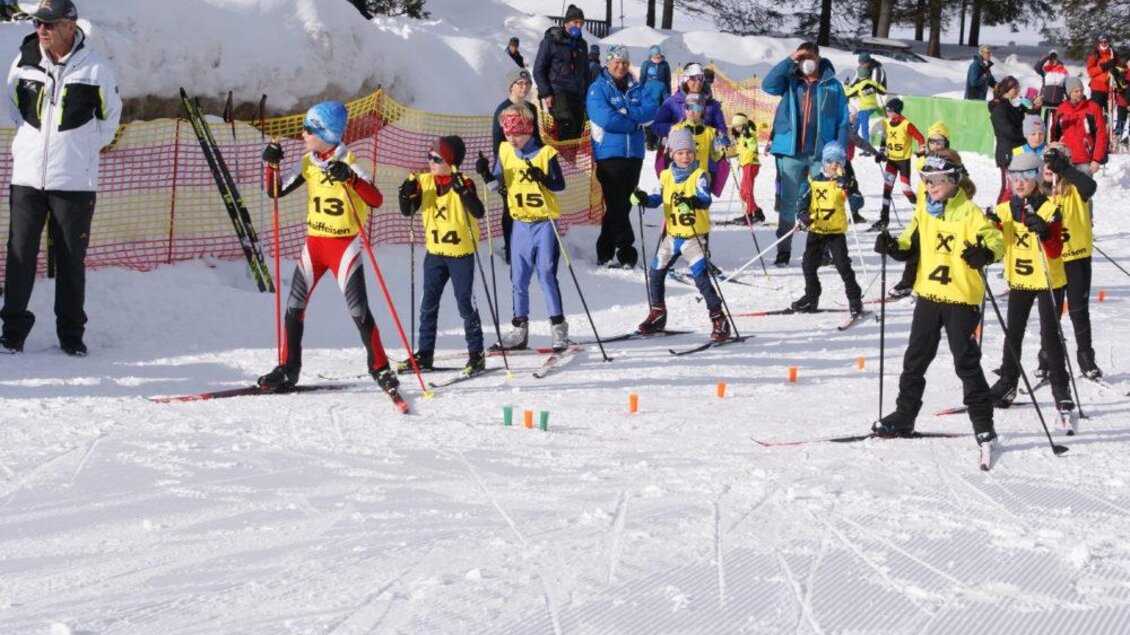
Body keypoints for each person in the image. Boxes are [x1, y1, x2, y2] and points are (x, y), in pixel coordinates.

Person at [1, 0, 121, 356]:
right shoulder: (22, 62)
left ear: (71, 25)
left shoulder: (97, 68)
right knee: (19, 256)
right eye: (39, 23)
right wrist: (34, 147)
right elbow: (14, 108)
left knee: (71, 260)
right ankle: (12, 333)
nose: (42, 30)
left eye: (50, 24)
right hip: (26, 178)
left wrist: (77, 151)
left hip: (74, 182)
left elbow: (109, 122)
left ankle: (71, 336)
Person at [257, 101, 396, 392]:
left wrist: (352, 179)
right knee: (293, 308)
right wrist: (271, 163)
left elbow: (376, 199)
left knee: (359, 312)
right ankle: (288, 369)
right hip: (314, 245)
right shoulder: (309, 162)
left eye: (308, 129)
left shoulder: (350, 161)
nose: (302, 134)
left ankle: (381, 369)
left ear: (326, 132)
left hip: (343, 246)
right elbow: (275, 190)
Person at [872, 149, 1003, 451]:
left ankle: (983, 426)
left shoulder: (970, 213)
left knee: (965, 363)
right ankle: (905, 415)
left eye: (935, 180)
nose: (929, 186)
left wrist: (985, 252)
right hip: (929, 295)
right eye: (925, 180)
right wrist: (893, 246)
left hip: (960, 298)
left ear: (954, 179)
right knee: (915, 359)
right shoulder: (923, 210)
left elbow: (996, 241)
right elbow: (909, 242)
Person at [985, 152, 1074, 424]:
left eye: (1025, 176)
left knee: (1050, 335)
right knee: (1013, 333)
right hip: (1021, 280)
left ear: (1036, 177)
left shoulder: (1050, 208)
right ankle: (1007, 383)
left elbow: (1057, 249)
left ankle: (1061, 388)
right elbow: (991, 234)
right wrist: (985, 230)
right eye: (1015, 177)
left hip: (1048, 280)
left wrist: (1045, 232)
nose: (1019, 182)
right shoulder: (1005, 208)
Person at [476, 106, 570, 351]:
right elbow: (498, 185)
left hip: (544, 223)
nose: (512, 139)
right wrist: (486, 174)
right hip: (520, 223)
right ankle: (519, 330)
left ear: (528, 131)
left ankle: (559, 329)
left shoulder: (545, 153)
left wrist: (543, 177)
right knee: (518, 277)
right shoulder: (505, 150)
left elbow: (559, 186)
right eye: (508, 134)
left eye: (517, 134)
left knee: (546, 273)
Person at [396, 136, 487, 375]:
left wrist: (465, 194)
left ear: (451, 161)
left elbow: (478, 212)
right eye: (429, 156)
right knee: (428, 305)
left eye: (437, 158)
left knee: (465, 304)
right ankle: (425, 354)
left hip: (460, 254)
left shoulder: (463, 181)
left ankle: (476, 355)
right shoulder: (423, 181)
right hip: (435, 253)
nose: (431, 161)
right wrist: (405, 195)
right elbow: (408, 212)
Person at [630, 127, 731, 341]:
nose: (685, 157)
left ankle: (719, 318)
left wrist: (692, 202)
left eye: (689, 152)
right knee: (655, 273)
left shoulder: (699, 175)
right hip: (673, 235)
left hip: (694, 236)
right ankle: (658, 313)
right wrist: (643, 198)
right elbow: (657, 198)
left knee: (701, 279)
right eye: (680, 152)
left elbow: (705, 199)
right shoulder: (666, 175)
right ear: (671, 154)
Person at [762, 41, 849, 267]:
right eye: (802, 58)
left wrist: (838, 151)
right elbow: (767, 85)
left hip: (821, 154)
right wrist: (791, 58)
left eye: (810, 57)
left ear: (818, 58)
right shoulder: (790, 80)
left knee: (821, 201)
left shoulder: (833, 85)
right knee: (789, 202)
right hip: (791, 152)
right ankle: (784, 248)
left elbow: (842, 119)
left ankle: (820, 251)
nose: (806, 62)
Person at [585, 44, 659, 268]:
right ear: (608, 62)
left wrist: (628, 113)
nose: (621, 66)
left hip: (634, 153)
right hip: (609, 154)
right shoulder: (598, 88)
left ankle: (604, 250)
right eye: (617, 62)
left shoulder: (637, 87)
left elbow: (651, 110)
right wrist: (635, 122)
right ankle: (626, 249)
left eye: (625, 63)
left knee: (623, 203)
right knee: (616, 202)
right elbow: (605, 119)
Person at [1036, 143, 1102, 379]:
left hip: (1077, 257)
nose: (1049, 166)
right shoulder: (1041, 192)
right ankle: (1046, 357)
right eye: (1046, 161)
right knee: (1050, 313)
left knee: (1078, 310)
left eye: (1054, 161)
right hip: (1052, 260)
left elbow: (1090, 186)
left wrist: (1064, 168)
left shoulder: (1076, 187)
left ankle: (1086, 358)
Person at [790, 142, 863, 316]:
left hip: (835, 231)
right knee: (808, 264)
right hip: (817, 229)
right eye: (830, 161)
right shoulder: (814, 181)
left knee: (843, 265)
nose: (833, 165)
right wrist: (802, 216)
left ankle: (855, 299)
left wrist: (849, 187)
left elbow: (858, 202)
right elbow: (802, 202)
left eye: (838, 162)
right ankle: (811, 295)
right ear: (823, 162)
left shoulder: (845, 182)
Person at [888, 121, 951, 299]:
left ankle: (937, 282)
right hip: (922, 213)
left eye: (940, 141)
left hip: (942, 217)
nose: (936, 145)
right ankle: (907, 283)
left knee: (939, 251)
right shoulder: (924, 161)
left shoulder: (952, 162)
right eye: (933, 141)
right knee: (914, 248)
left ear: (946, 143)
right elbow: (920, 165)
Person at [490, 67, 541, 264]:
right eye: (520, 84)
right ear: (511, 86)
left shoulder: (532, 108)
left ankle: (530, 246)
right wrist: (499, 172)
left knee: (529, 206)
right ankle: (511, 247)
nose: (525, 87)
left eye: (527, 84)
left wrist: (540, 159)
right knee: (510, 208)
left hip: (529, 164)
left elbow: (536, 137)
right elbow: (497, 142)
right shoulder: (502, 109)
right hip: (509, 164)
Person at [532, 4, 590, 141]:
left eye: (581, 23)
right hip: (558, 92)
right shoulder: (550, 42)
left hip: (578, 93)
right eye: (575, 22)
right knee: (566, 124)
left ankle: (570, 160)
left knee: (578, 130)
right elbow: (538, 69)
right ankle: (560, 159)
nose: (578, 25)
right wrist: (546, 93)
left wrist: (587, 93)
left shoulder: (582, 44)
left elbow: (586, 73)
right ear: (566, 23)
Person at [870, 97, 923, 232]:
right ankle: (884, 218)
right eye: (886, 110)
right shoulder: (886, 123)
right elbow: (884, 138)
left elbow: (920, 137)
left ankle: (921, 213)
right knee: (887, 190)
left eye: (890, 110)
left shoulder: (906, 124)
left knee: (906, 189)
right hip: (891, 161)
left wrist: (922, 149)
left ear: (897, 111)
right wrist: (881, 153)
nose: (887, 112)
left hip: (903, 161)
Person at [989, 76, 1038, 203]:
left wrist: (1035, 108)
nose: (1018, 90)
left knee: (1021, 189)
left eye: (1018, 87)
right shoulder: (999, 108)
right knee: (1008, 188)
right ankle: (999, 215)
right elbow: (1009, 131)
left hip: (1021, 152)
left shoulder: (1018, 105)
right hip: (1007, 153)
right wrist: (1028, 133)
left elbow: (1034, 122)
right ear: (1007, 90)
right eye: (1014, 88)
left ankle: (1016, 215)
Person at [1051, 76, 1107, 174]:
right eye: (1076, 91)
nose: (1080, 94)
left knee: (1084, 189)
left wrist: (1097, 159)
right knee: (1064, 189)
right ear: (1069, 93)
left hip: (1085, 159)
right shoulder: (1061, 109)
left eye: (1081, 90)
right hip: (1064, 159)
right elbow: (1054, 134)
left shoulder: (1093, 108)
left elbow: (1101, 134)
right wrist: (1054, 155)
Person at [844, 55, 887, 148]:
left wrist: (846, 84)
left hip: (865, 108)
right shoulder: (872, 83)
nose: (861, 65)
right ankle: (851, 140)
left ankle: (866, 147)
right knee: (856, 123)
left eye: (862, 63)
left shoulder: (876, 70)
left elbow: (848, 93)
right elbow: (883, 90)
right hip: (872, 106)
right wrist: (872, 90)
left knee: (864, 128)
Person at [729, 112, 764, 223]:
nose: (738, 128)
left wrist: (748, 136)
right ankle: (757, 212)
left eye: (740, 126)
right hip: (745, 166)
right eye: (736, 126)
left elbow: (753, 147)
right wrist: (726, 152)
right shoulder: (740, 137)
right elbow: (737, 151)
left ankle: (749, 214)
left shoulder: (750, 133)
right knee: (743, 192)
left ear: (744, 124)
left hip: (751, 164)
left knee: (747, 191)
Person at [639, 45, 672, 150]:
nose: (658, 59)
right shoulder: (646, 64)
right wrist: (641, 93)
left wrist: (668, 96)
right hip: (648, 97)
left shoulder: (664, 64)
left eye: (659, 56)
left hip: (662, 96)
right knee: (649, 118)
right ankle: (649, 140)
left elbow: (668, 80)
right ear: (651, 56)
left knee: (659, 117)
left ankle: (657, 139)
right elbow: (642, 79)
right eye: (655, 57)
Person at [1084, 34, 1122, 121]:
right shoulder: (1095, 56)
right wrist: (1103, 67)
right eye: (1101, 42)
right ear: (1098, 43)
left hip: (1110, 89)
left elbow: (1121, 70)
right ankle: (1094, 132)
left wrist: (1116, 71)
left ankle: (1107, 131)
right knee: (1095, 113)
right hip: (1097, 89)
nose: (1104, 44)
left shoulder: (1114, 56)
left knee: (1109, 114)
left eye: (1106, 42)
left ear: (1109, 43)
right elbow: (1090, 72)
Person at [1034, 50, 1069, 119]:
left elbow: (1066, 87)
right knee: (1043, 122)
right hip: (1045, 101)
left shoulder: (1064, 71)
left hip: (1058, 102)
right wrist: (1046, 58)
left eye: (1055, 58)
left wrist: (1069, 99)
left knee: (1057, 124)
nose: (1053, 60)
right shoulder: (1045, 70)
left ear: (1058, 59)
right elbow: (1036, 68)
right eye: (1051, 58)